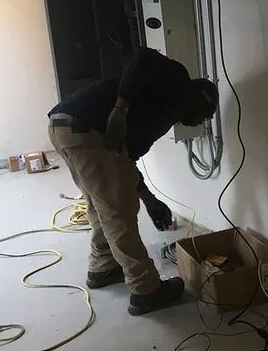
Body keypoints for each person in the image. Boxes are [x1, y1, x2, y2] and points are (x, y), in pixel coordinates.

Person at [47, 47, 218, 315]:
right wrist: (119, 109)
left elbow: (125, 163)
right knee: (118, 215)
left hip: (65, 128)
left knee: (102, 204)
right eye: (205, 115)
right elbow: (142, 57)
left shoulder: (160, 118)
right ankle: (146, 290)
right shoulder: (179, 81)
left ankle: (102, 266)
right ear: (201, 99)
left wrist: (150, 201)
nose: (201, 122)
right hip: (86, 129)